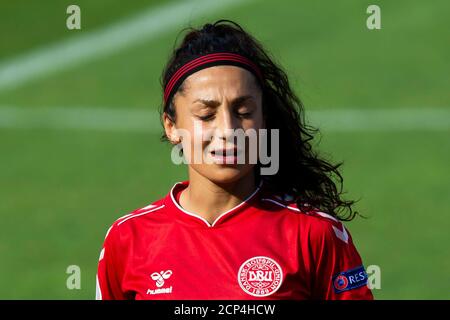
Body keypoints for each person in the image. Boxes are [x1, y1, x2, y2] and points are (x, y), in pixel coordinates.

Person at [96, 20, 373, 300]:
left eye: (243, 111)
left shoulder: (315, 235)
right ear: (171, 127)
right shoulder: (128, 239)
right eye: (206, 115)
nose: (229, 131)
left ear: (264, 119)